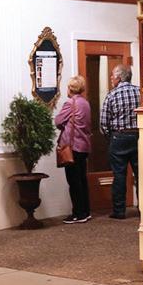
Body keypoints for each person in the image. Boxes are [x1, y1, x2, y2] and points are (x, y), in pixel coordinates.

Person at [100, 64, 140, 219]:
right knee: (141, 175)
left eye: (112, 76)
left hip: (118, 137)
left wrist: (110, 137)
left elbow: (104, 123)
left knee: (119, 175)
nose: (111, 78)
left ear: (118, 77)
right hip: (138, 137)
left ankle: (119, 211)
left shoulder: (111, 95)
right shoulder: (139, 92)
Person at [54, 75, 92, 224]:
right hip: (84, 146)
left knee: (73, 181)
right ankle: (86, 211)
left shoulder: (70, 103)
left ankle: (78, 213)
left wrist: (65, 124)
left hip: (72, 147)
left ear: (70, 88)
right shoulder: (85, 103)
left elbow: (58, 121)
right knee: (82, 179)